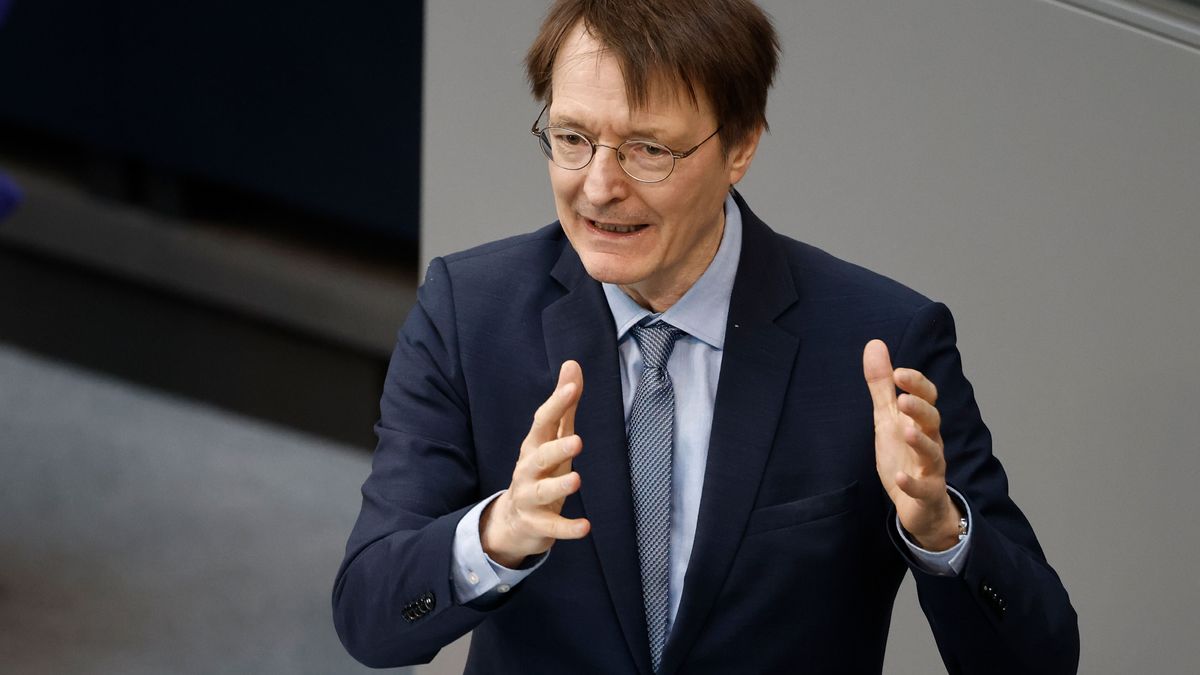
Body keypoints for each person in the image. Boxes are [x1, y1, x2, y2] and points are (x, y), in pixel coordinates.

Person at [333, 1, 1079, 673]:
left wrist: (941, 531)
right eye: (571, 137)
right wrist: (495, 535)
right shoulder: (469, 312)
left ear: (741, 146)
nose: (598, 186)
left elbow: (1041, 657)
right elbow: (370, 617)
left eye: (649, 150)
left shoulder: (881, 342)